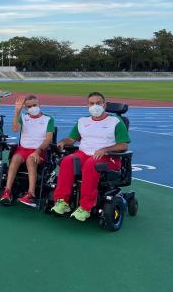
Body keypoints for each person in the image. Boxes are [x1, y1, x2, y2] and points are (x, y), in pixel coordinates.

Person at [51, 92, 130, 222]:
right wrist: (63, 142)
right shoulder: (82, 121)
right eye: (92, 103)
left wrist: (105, 149)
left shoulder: (115, 121)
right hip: (84, 154)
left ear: (104, 105)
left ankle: (85, 207)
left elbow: (123, 145)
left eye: (98, 103)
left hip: (107, 157)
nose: (95, 106)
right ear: (87, 105)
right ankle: (62, 202)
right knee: (67, 161)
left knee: (91, 164)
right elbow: (71, 139)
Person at [0, 95, 55, 207]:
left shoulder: (48, 119)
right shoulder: (23, 117)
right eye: (29, 106)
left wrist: (38, 151)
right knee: (15, 158)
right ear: (25, 108)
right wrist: (17, 112)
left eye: (35, 105)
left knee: (30, 159)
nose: (33, 108)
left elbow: (49, 138)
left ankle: (31, 193)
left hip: (39, 150)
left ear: (39, 104)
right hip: (23, 149)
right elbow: (15, 129)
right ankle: (7, 191)